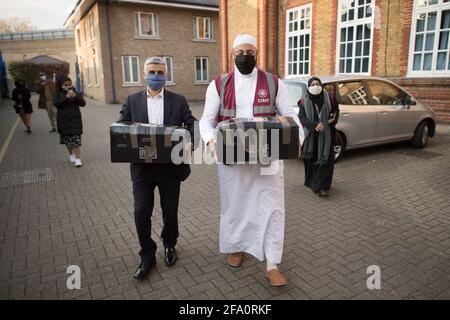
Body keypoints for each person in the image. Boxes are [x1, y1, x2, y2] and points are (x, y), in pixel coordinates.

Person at [199, 34, 304, 287]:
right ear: (232, 54)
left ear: (257, 53)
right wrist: (211, 141)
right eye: (240, 52)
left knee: (272, 207)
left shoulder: (273, 82)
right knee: (235, 205)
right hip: (231, 159)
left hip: (266, 158)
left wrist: (296, 139)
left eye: (250, 52)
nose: (245, 56)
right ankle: (237, 247)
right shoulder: (218, 84)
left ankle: (272, 263)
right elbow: (206, 120)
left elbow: (290, 116)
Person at [118, 56, 196, 279]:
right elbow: (121, 127)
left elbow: (191, 125)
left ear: (166, 75)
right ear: (144, 74)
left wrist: (187, 143)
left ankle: (170, 244)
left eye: (160, 73)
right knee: (141, 212)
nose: (156, 76)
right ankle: (147, 254)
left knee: (169, 211)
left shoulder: (178, 100)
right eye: (152, 72)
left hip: (169, 168)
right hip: (142, 168)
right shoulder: (132, 101)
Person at [298, 77, 339, 197]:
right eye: (312, 84)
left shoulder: (330, 98)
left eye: (318, 84)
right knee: (311, 161)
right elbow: (302, 118)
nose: (315, 86)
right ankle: (310, 182)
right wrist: (314, 125)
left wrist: (333, 119)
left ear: (321, 86)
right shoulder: (303, 101)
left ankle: (321, 186)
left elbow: (336, 110)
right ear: (309, 87)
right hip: (311, 135)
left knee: (324, 161)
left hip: (326, 135)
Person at [53, 75, 86, 167]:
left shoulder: (74, 92)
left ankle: (78, 158)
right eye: (65, 85)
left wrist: (76, 96)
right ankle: (71, 154)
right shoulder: (58, 94)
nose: (68, 86)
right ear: (60, 85)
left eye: (69, 84)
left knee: (76, 140)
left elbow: (83, 103)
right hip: (63, 121)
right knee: (67, 141)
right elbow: (56, 104)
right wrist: (66, 97)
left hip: (75, 120)